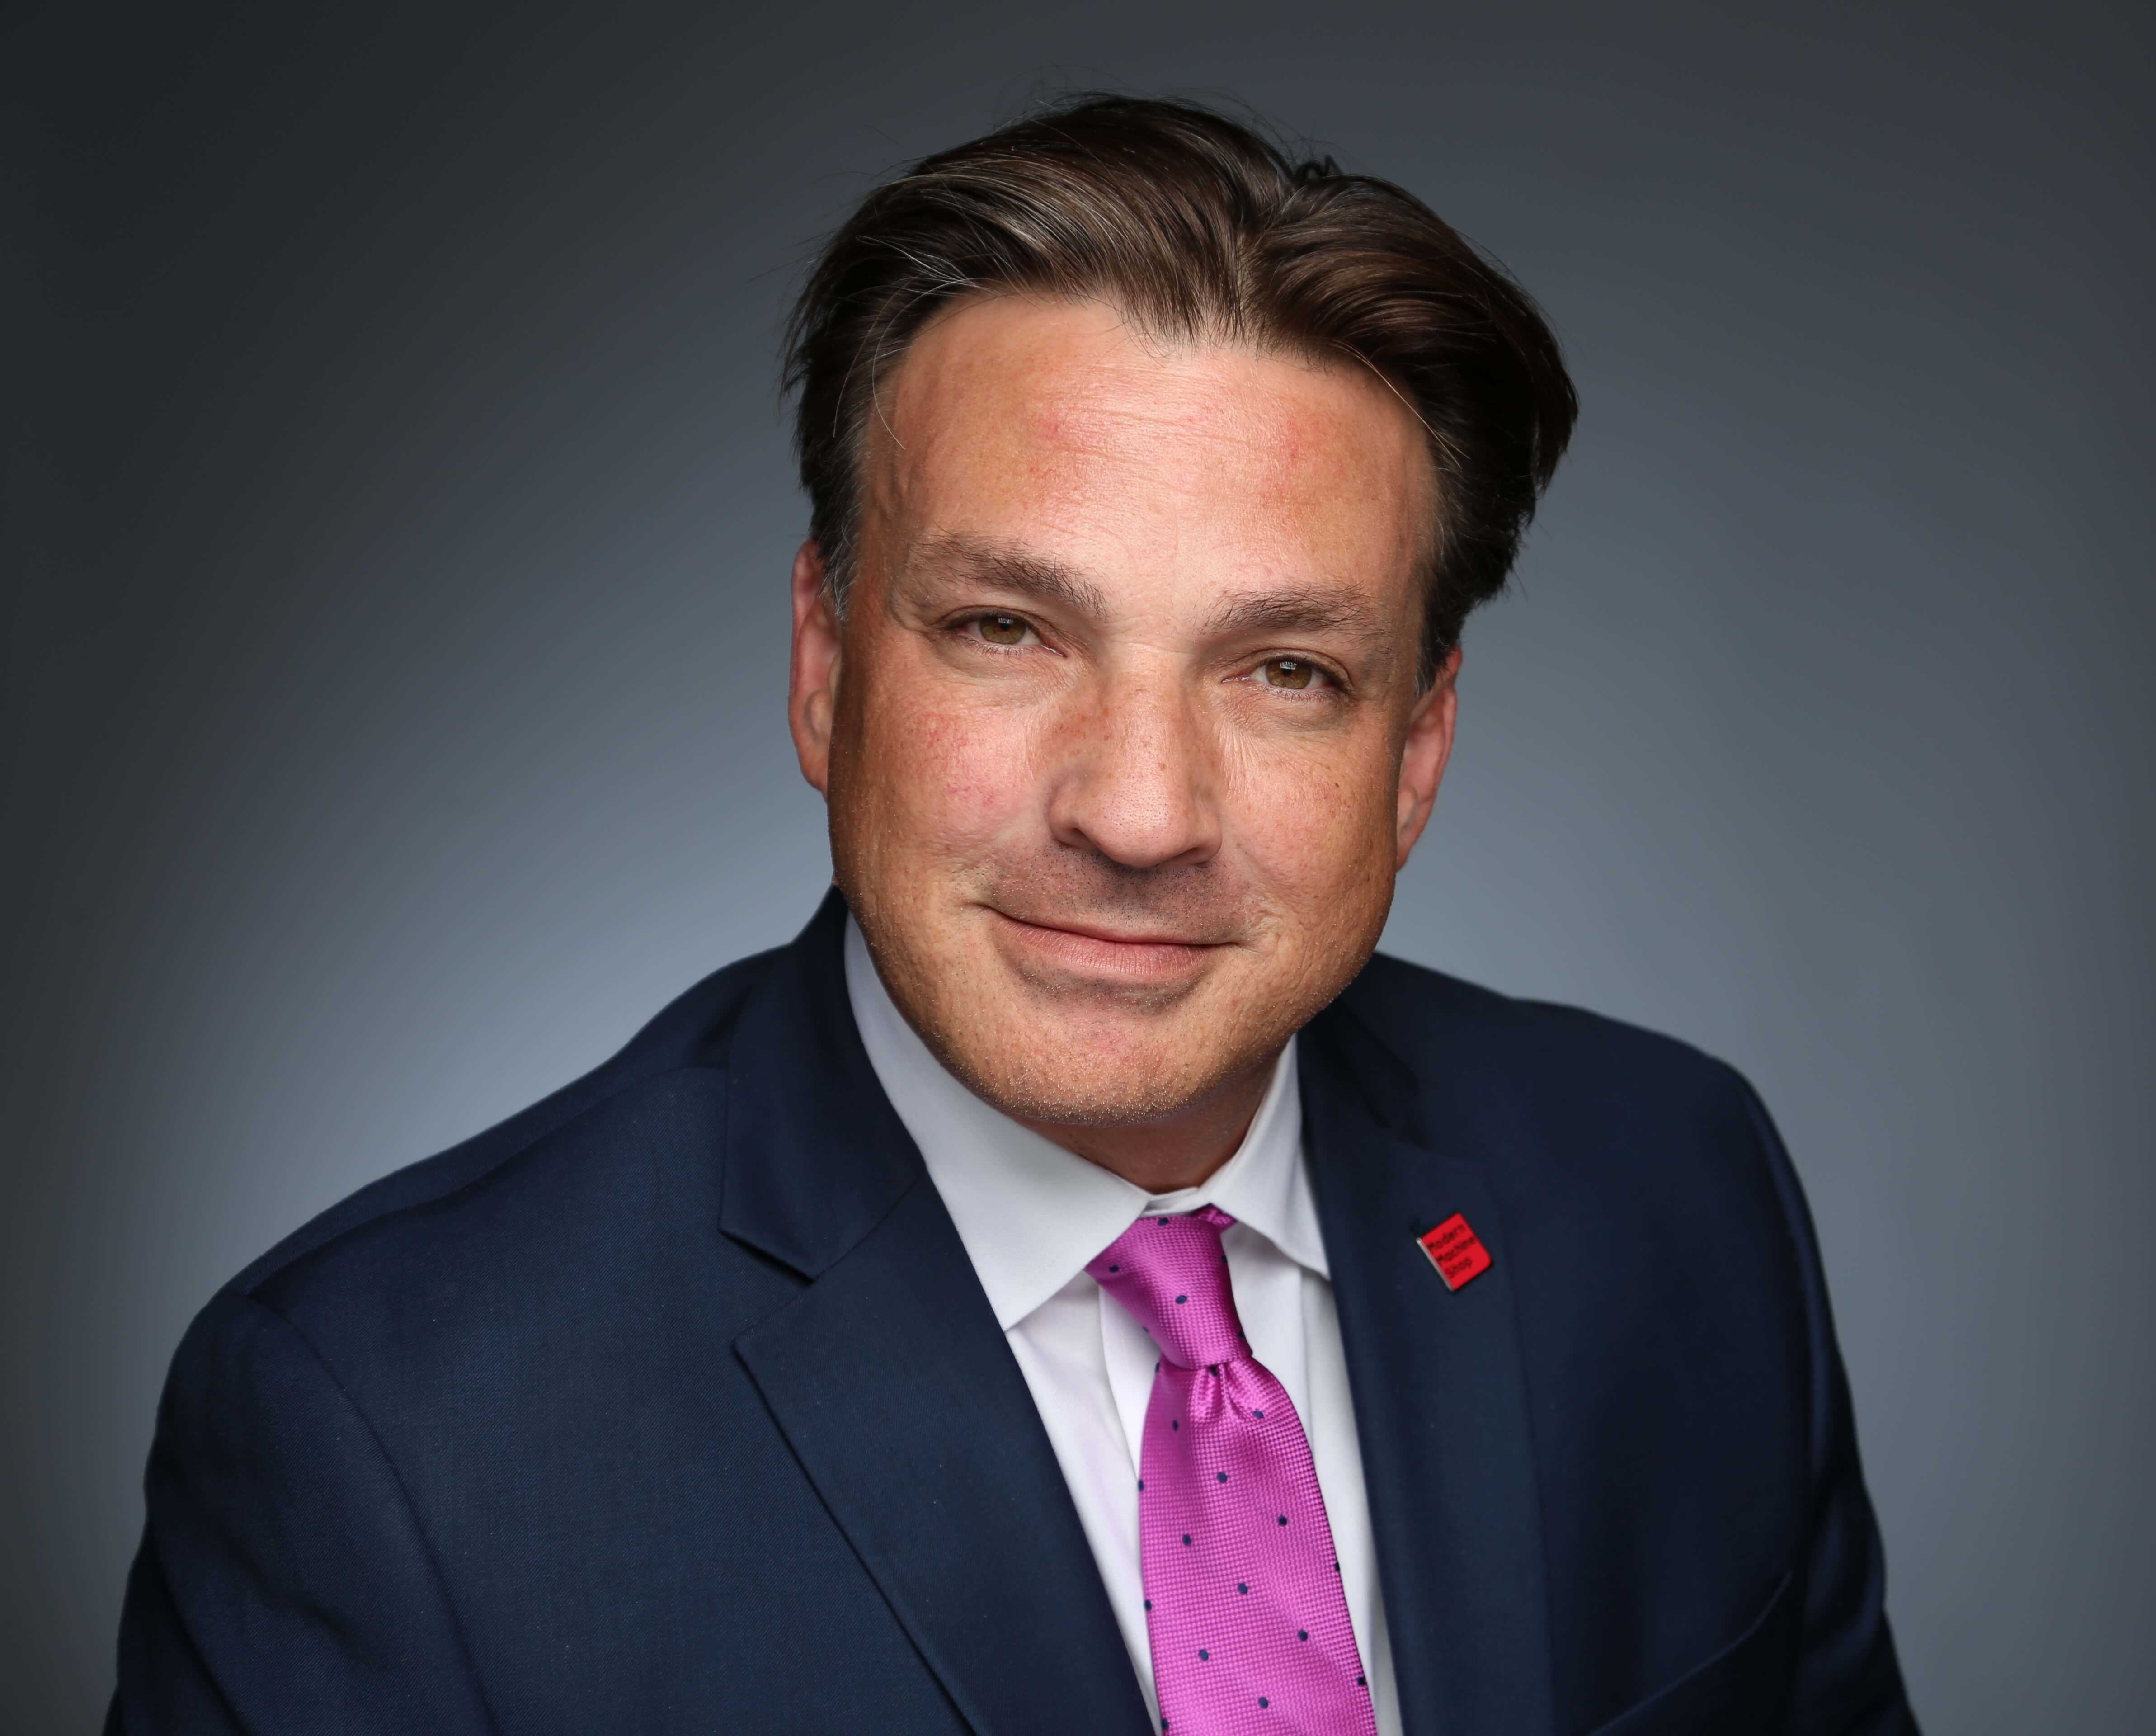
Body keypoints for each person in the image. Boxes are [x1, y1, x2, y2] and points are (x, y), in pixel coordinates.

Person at [110, 95, 1918, 1735]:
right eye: (1008, 631)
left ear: (1417, 751)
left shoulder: (1679, 1201)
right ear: (826, 667)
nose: (1137, 814)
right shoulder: (391, 1431)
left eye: (1286, 670)